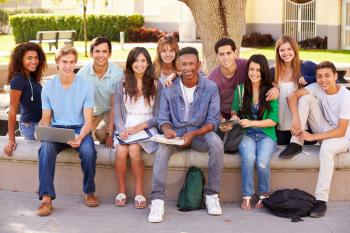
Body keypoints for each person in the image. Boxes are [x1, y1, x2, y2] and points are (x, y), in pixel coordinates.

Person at [148, 47, 224, 223]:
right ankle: (157, 200)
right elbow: (162, 118)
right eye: (184, 64)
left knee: (216, 143)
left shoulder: (211, 88)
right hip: (177, 133)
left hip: (200, 133)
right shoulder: (169, 87)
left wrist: (193, 133)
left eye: (191, 64)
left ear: (198, 64)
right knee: (161, 151)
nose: (188, 68)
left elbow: (213, 121)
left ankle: (212, 195)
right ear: (178, 66)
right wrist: (167, 130)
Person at [37, 45, 97, 217]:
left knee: (88, 151)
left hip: (79, 128)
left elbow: (88, 121)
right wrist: (43, 132)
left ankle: (89, 191)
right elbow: (46, 118)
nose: (68, 66)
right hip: (58, 129)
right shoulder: (48, 87)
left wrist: (80, 137)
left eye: (72, 62)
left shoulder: (85, 86)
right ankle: (46, 198)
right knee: (45, 149)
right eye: (64, 62)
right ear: (57, 62)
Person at [286, 61, 350, 217]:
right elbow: (291, 96)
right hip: (324, 129)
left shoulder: (346, 97)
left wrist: (313, 137)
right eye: (319, 76)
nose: (323, 80)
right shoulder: (317, 87)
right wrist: (295, 119)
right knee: (305, 98)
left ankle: (321, 200)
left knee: (326, 149)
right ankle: (296, 143)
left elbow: (341, 131)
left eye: (327, 75)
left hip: (343, 137)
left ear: (336, 76)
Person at [113, 47, 163, 209]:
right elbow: (118, 113)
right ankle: (121, 191)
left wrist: (138, 128)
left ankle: (139, 192)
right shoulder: (121, 84)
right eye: (136, 60)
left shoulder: (156, 84)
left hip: (146, 127)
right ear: (130, 63)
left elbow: (158, 117)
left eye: (143, 60)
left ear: (148, 63)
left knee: (134, 150)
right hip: (126, 127)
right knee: (121, 150)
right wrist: (121, 129)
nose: (140, 64)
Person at [231, 54, 279, 210]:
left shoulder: (271, 91)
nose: (254, 73)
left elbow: (273, 120)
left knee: (262, 162)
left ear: (264, 71)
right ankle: (247, 195)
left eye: (258, 70)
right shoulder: (240, 89)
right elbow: (233, 112)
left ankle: (264, 194)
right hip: (246, 134)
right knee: (249, 158)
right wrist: (235, 117)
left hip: (267, 135)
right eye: (251, 69)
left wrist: (251, 122)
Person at [208, 38, 278, 121]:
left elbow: (264, 77)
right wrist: (222, 121)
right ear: (217, 56)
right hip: (223, 116)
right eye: (221, 54)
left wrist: (276, 88)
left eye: (228, 53)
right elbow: (211, 103)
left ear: (235, 53)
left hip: (246, 114)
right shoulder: (213, 78)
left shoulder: (248, 66)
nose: (225, 57)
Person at [270, 36, 317, 158]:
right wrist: (273, 88)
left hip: (304, 129)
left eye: (289, 49)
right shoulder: (273, 71)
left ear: (295, 50)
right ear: (277, 52)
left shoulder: (307, 66)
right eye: (282, 50)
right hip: (281, 129)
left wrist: (309, 79)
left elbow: (330, 77)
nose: (286, 53)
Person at [77, 37, 123, 147]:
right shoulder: (82, 74)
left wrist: (110, 134)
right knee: (81, 136)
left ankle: (113, 132)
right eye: (97, 51)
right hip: (92, 113)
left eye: (104, 51)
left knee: (101, 134)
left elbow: (114, 106)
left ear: (110, 54)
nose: (101, 55)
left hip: (110, 111)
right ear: (91, 53)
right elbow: (79, 103)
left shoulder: (117, 73)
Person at [4, 42, 47, 156]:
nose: (34, 61)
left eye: (36, 58)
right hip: (31, 126)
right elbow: (13, 109)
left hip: (41, 124)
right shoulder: (18, 79)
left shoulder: (31, 78)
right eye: (29, 58)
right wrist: (11, 140)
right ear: (20, 60)